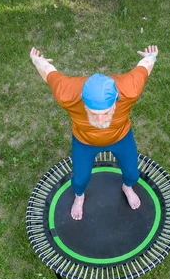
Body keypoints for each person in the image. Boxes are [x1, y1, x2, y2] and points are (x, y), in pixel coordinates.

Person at [29, 45, 159, 220]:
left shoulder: (130, 89)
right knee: (80, 179)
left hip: (121, 136)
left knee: (132, 173)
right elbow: (48, 72)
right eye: (93, 113)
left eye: (105, 113)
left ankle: (127, 187)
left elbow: (146, 66)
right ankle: (79, 197)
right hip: (84, 141)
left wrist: (151, 56)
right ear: (83, 102)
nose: (99, 121)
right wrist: (37, 60)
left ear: (115, 100)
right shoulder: (67, 93)